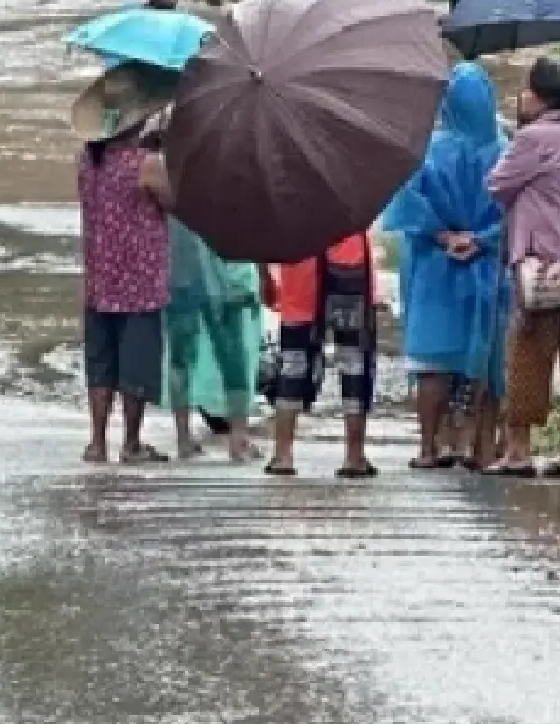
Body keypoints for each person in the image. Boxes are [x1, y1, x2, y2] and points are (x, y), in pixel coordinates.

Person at [384, 60, 508, 470]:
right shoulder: (505, 151)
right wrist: (481, 239)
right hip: (488, 268)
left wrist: (443, 237)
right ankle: (482, 448)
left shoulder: (427, 149)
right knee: (487, 362)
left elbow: (406, 206)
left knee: (432, 364)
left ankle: (428, 447)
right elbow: (517, 211)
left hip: (434, 270)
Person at [489, 56, 560, 478]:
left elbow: (498, 184)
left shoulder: (532, 138)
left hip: (541, 263)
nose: (521, 96)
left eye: (526, 89)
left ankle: (519, 448)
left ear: (540, 97)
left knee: (528, 354)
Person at [76, 71, 173, 465]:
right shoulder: (147, 164)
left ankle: (97, 442)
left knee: (101, 361)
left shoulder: (87, 161)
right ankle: (131, 443)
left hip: (100, 276)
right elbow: (176, 202)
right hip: (140, 280)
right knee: (137, 362)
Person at [265, 234, 378, 479]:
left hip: (300, 265)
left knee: (293, 364)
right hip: (348, 265)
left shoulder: (290, 196)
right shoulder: (353, 195)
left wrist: (263, 273)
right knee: (354, 363)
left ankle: (283, 455)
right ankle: (354, 456)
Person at [165, 219, 263, 461]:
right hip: (227, 275)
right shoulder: (232, 183)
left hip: (181, 267)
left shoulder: (174, 183)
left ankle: (183, 439)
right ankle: (238, 440)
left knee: (181, 355)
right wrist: (263, 272)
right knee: (234, 356)